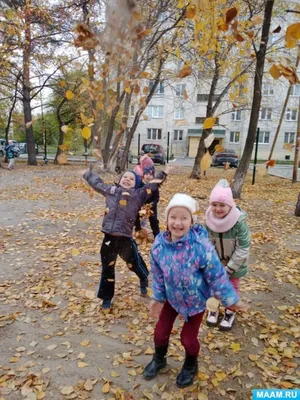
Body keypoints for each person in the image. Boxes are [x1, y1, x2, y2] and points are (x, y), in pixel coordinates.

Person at [143, 193, 247, 388]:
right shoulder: (159, 245)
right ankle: (159, 359)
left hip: (196, 302)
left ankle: (191, 364)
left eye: (184, 218)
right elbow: (157, 274)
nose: (178, 223)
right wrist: (157, 297)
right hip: (172, 298)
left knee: (187, 339)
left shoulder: (200, 246)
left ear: (192, 221)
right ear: (166, 220)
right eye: (173, 217)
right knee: (160, 332)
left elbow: (216, 275)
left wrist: (230, 298)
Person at [83, 164, 170, 310]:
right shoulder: (111, 191)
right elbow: (97, 184)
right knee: (107, 269)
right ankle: (106, 297)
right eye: (125, 177)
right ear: (119, 180)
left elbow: (152, 185)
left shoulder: (138, 195)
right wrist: (87, 174)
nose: (128, 180)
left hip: (125, 239)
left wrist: (164, 173)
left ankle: (143, 276)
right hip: (109, 238)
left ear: (136, 184)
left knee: (134, 263)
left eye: (132, 179)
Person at [205, 179, 251, 331]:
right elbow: (206, 244)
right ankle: (213, 309)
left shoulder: (239, 222)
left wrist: (229, 268)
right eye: (215, 204)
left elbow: (243, 247)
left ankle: (230, 312)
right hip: (216, 263)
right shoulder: (208, 220)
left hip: (235, 264)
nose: (218, 209)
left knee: (231, 288)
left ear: (230, 205)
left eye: (222, 205)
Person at [135, 165, 160, 238]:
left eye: (150, 174)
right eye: (146, 174)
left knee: (154, 220)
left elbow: (156, 198)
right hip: (141, 205)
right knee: (137, 218)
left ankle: (156, 234)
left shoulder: (154, 186)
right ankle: (138, 231)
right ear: (143, 175)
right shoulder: (140, 184)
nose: (148, 176)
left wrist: (152, 204)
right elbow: (137, 194)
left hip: (151, 206)